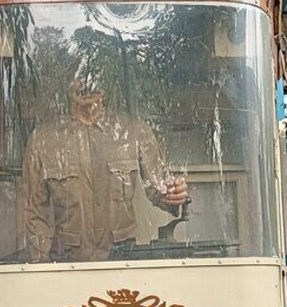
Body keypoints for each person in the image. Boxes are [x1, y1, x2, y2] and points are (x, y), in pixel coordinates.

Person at [22, 77, 188, 262]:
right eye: (79, 74)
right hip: (67, 265)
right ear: (67, 81)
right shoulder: (43, 139)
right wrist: (41, 269)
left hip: (123, 264)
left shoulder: (133, 132)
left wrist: (175, 196)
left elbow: (161, 191)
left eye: (94, 74)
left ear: (105, 87)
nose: (86, 82)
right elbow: (35, 213)